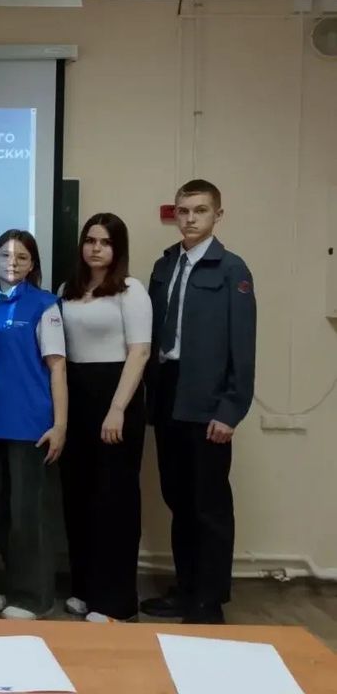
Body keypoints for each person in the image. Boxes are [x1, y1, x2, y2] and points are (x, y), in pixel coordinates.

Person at [141, 179, 255, 625]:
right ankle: (186, 589)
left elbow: (243, 347)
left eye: (200, 210)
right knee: (178, 498)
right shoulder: (165, 264)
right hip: (169, 392)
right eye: (183, 211)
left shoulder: (232, 269)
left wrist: (230, 410)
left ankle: (209, 601)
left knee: (209, 505)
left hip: (208, 401)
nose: (190, 219)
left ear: (217, 216)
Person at [58, 213, 152, 623]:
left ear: (118, 248)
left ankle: (115, 602)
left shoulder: (131, 290)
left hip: (116, 398)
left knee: (113, 501)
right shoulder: (68, 290)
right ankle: (85, 588)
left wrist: (117, 409)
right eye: (90, 240)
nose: (96, 248)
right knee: (78, 497)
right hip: (76, 396)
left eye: (106, 242)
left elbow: (140, 352)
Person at [0, 229, 67, 620]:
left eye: (22, 257)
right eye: (5, 255)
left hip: (32, 425)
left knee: (30, 515)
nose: (12, 262)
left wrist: (60, 425)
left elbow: (57, 367)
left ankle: (35, 598)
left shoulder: (44, 305)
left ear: (33, 265)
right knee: (5, 513)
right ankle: (15, 585)